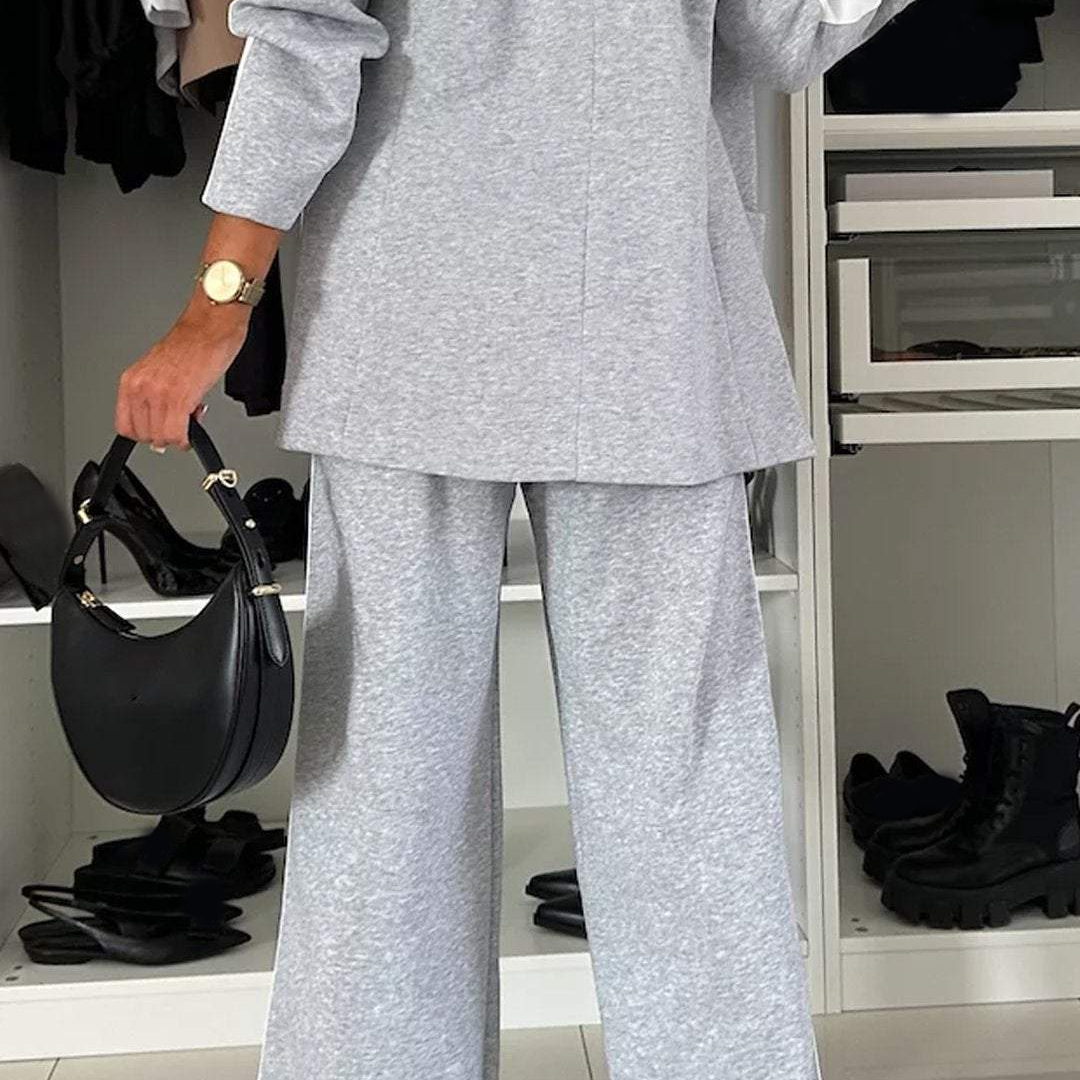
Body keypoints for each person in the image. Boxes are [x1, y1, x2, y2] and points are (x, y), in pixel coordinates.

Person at [115, 2, 913, 1077]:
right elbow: (795, 33)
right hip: (639, 316)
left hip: (411, 319)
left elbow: (307, 37)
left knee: (388, 786)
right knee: (679, 783)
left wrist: (219, 301)